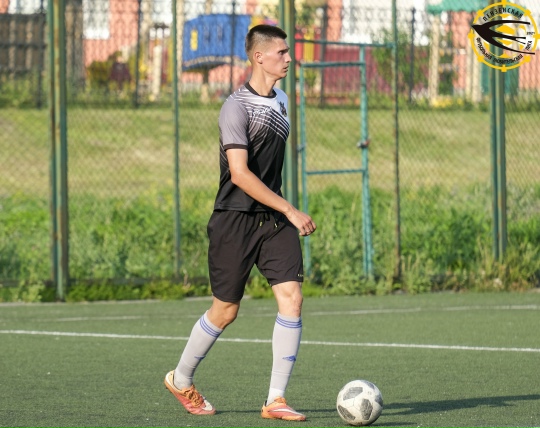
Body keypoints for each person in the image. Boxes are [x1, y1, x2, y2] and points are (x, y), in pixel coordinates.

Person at [164, 24, 316, 422]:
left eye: (288, 51)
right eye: (282, 52)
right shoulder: (235, 107)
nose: (289, 58)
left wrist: (281, 211)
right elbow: (240, 174)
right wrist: (290, 209)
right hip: (234, 219)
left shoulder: (283, 100)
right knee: (225, 311)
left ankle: (276, 400)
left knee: (292, 298)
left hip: (272, 221)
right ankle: (181, 379)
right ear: (259, 57)